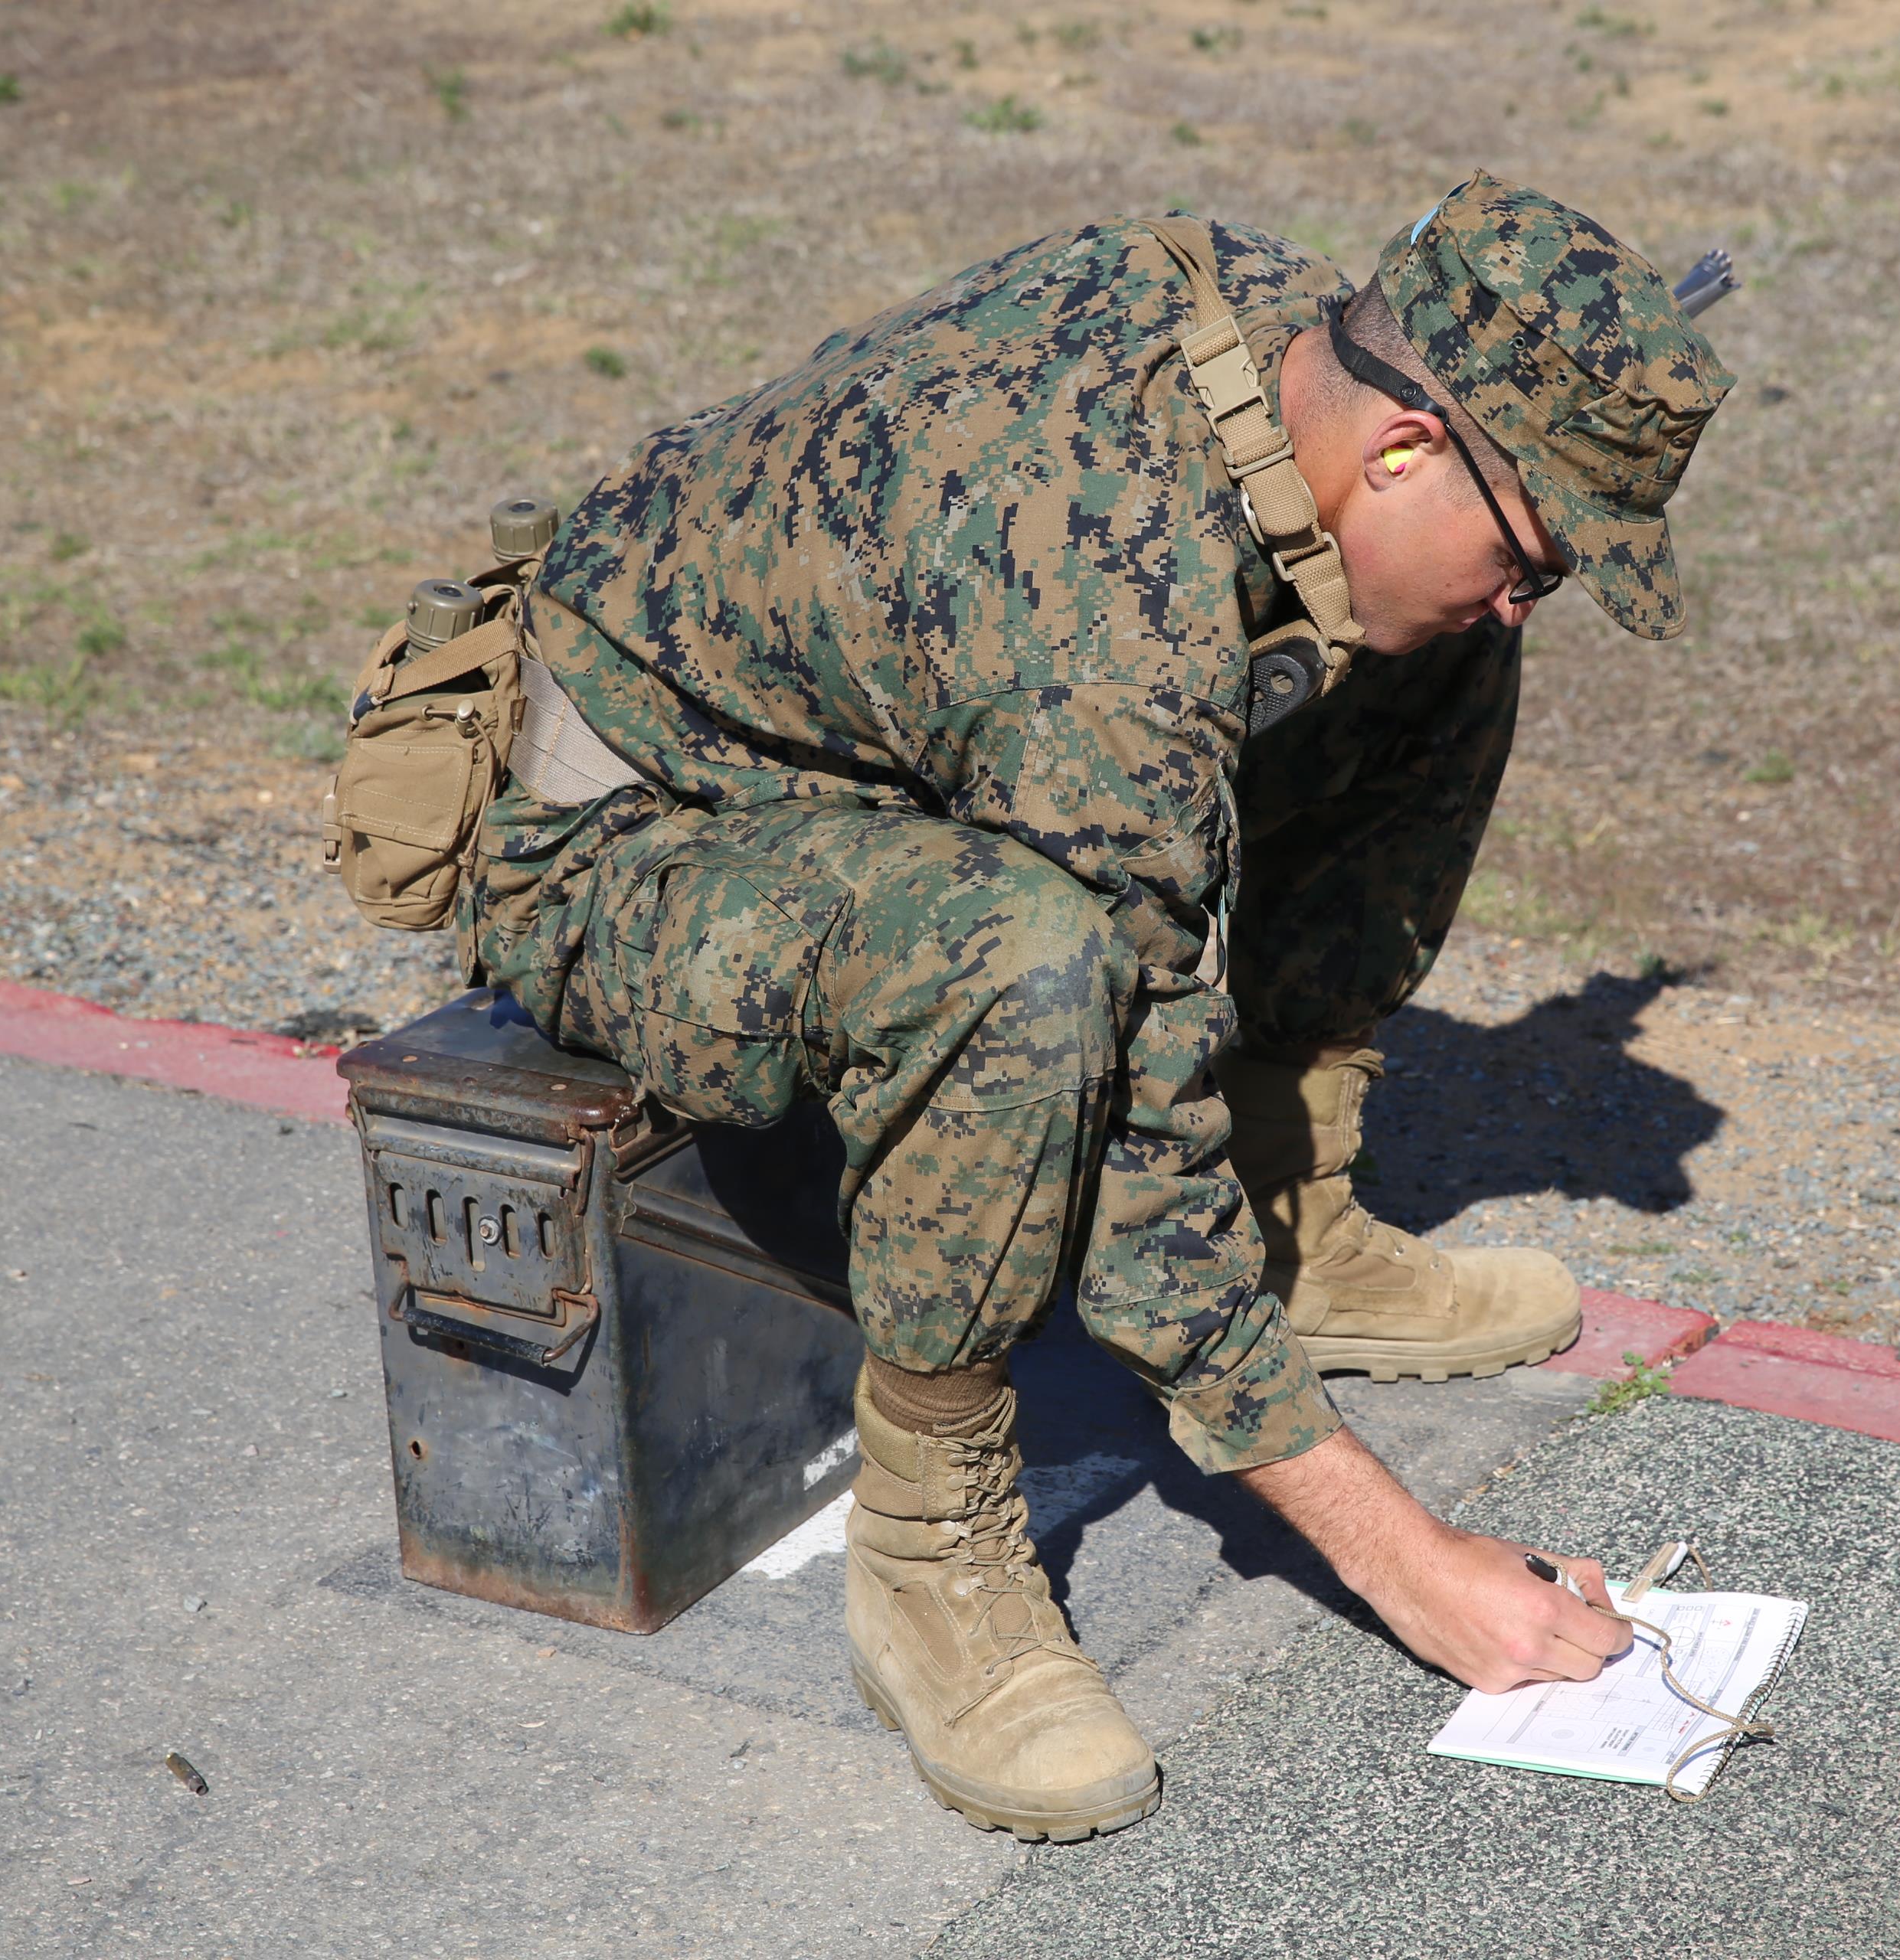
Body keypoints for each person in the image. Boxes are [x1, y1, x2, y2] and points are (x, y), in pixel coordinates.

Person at [460, 172, 1732, 1841]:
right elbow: (1134, 1128)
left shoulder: (1299, 357)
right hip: (628, 835)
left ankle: (1295, 1201)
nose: (1525, 590)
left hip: (893, 760)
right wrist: (1405, 1557)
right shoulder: (1097, 613)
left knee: (1434, 647)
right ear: (1410, 447)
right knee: (1026, 955)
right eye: (1532, 556)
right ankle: (931, 1544)